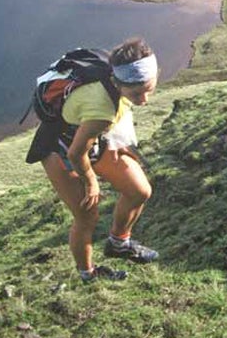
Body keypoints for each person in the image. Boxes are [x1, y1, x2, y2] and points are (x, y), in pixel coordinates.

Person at [26, 36, 160, 282]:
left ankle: (119, 244)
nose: (144, 100)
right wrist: (91, 181)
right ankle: (88, 274)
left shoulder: (115, 77)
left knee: (139, 190)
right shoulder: (101, 109)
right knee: (87, 216)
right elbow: (75, 153)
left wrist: (121, 144)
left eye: (149, 89)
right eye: (136, 93)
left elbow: (119, 111)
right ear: (118, 83)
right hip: (59, 147)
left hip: (94, 139)